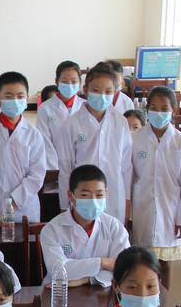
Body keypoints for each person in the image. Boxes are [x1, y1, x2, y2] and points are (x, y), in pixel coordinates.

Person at [130, 87, 181, 288]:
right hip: (142, 208)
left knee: (165, 263)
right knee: (141, 261)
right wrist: (128, 211)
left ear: (173, 111)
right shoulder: (136, 138)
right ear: (147, 110)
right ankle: (143, 295)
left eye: (164, 108)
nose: (158, 113)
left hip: (170, 210)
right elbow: (129, 177)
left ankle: (164, 299)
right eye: (154, 108)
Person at [54, 64, 132, 224]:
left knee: (112, 234)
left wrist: (127, 200)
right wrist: (64, 205)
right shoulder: (71, 124)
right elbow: (66, 167)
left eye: (108, 92)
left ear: (115, 92)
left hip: (113, 195)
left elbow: (126, 166)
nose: (102, 96)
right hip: (83, 197)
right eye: (96, 90)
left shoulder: (121, 122)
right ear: (85, 89)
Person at [40, 164, 130, 288]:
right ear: (71, 196)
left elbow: (123, 269)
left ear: (106, 194)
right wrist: (102, 262)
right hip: (59, 293)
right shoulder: (52, 229)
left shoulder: (115, 227)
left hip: (103, 293)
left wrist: (87, 280)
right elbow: (58, 271)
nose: (93, 201)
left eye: (99, 195)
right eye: (85, 195)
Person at [0, 72, 48, 226]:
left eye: (20, 96)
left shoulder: (33, 135)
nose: (15, 101)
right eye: (8, 96)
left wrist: (10, 206)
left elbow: (36, 177)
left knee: (23, 241)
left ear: (27, 98)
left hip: (23, 212)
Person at [34, 60, 84, 170]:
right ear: (57, 81)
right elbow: (45, 142)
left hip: (82, 166)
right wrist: (55, 169)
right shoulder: (45, 108)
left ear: (80, 82)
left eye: (74, 81)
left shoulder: (85, 106)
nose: (69, 85)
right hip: (55, 167)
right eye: (64, 81)